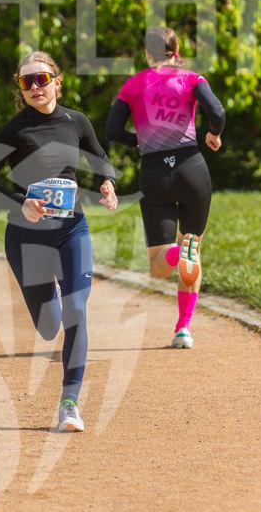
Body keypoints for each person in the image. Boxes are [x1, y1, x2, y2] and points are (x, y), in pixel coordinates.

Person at [0, 51, 119, 432]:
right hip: (26, 239)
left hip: (72, 230)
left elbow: (100, 159)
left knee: (76, 311)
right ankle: (49, 295)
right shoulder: (14, 130)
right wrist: (21, 203)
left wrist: (107, 182)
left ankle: (69, 404)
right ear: (20, 90)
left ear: (57, 81)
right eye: (27, 82)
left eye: (42, 79)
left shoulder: (76, 121)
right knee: (49, 325)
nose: (36, 87)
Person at [105, 26, 225, 349]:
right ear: (177, 51)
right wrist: (213, 134)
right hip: (192, 169)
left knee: (160, 267)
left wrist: (137, 140)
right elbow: (216, 111)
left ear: (147, 54)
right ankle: (183, 328)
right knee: (193, 251)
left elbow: (112, 130)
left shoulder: (132, 85)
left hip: (155, 172)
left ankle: (174, 252)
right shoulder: (192, 79)